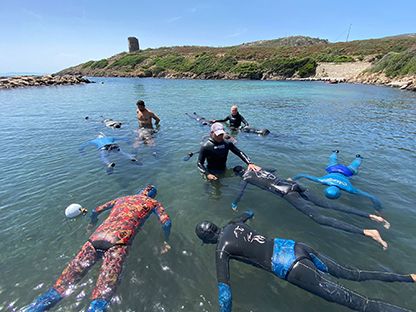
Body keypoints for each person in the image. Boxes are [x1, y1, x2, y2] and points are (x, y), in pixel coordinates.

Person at [195, 211, 416, 312]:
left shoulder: (221, 250)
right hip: (294, 246)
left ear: (207, 240)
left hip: (291, 267)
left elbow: (225, 292)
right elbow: (247, 213)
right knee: (351, 273)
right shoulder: (233, 224)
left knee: (361, 304)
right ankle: (408, 278)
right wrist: (250, 215)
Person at [26, 185, 172, 312]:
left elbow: (96, 210)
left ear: (140, 191)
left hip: (94, 240)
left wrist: (91, 223)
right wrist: (165, 241)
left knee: (61, 287)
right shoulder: (153, 203)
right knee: (101, 296)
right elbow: (166, 223)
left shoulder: (122, 199)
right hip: (118, 244)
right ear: (153, 195)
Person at [232, 166, 389, 249]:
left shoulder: (245, 177)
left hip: (287, 193)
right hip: (294, 185)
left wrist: (234, 203)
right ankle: (372, 216)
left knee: (319, 218)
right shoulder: (257, 168)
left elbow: (240, 193)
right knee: (328, 204)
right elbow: (273, 169)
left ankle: (367, 232)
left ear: (239, 174)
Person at [293, 151, 382, 210]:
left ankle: (357, 158)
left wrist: (378, 209)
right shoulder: (323, 180)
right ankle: (356, 157)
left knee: (354, 166)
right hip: (333, 169)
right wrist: (293, 180)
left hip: (347, 173)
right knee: (332, 160)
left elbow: (373, 197)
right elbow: (302, 175)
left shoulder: (349, 188)